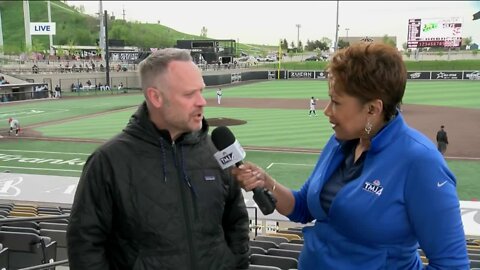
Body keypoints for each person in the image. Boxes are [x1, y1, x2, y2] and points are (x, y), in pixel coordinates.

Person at [232, 43, 469, 269]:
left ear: (372, 109)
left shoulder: (421, 162)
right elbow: (304, 207)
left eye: (336, 102)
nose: (326, 111)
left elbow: (452, 265)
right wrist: (267, 183)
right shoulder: (341, 142)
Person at [67, 48, 250, 270]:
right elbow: (85, 246)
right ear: (156, 97)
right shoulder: (108, 162)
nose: (202, 101)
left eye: (201, 91)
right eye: (189, 94)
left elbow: (236, 222)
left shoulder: (215, 151)